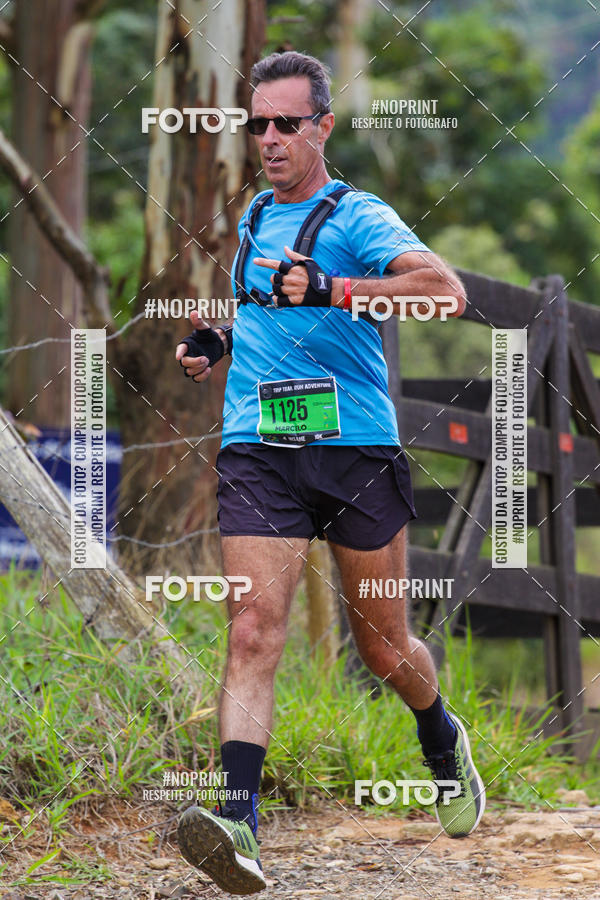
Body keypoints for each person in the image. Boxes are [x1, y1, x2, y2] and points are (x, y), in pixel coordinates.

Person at [175, 50, 485, 896]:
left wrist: (339, 288)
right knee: (252, 629)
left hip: (355, 451)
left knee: (382, 649)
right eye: (258, 124)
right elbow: (264, 309)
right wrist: (218, 342)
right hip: (259, 448)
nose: (269, 139)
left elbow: (445, 293)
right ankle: (238, 822)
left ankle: (439, 732)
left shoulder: (359, 215)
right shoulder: (252, 219)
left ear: (323, 126)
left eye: (287, 123)